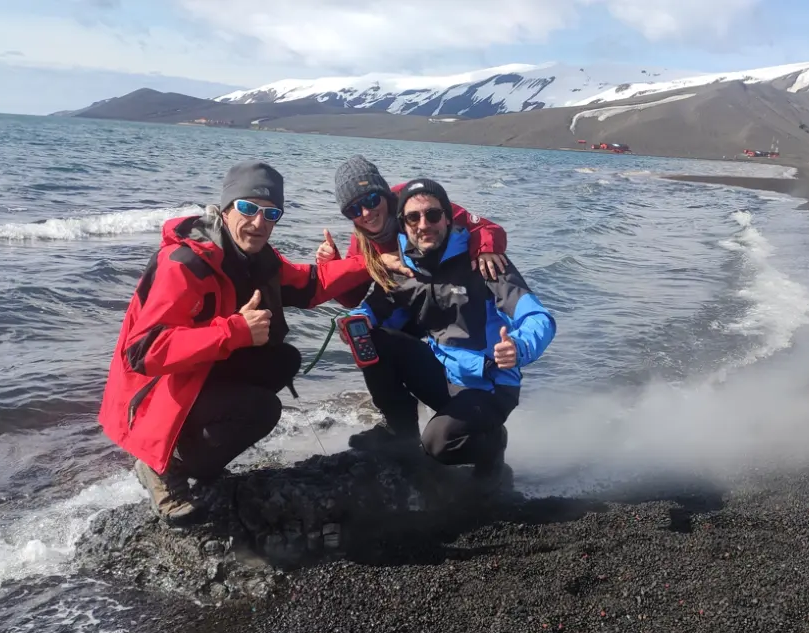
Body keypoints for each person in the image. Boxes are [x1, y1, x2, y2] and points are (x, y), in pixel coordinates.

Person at [98, 160, 395, 524]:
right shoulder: (183, 263)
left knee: (282, 361)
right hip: (150, 395)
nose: (259, 223)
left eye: (271, 214)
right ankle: (162, 465)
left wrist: (374, 261)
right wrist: (234, 331)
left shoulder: (256, 258)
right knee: (262, 409)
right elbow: (143, 352)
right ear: (226, 209)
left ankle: (200, 461)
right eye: (248, 208)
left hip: (193, 376)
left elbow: (310, 284)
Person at [345, 178, 556, 489]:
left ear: (447, 217)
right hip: (444, 376)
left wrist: (519, 346)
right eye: (413, 218)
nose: (423, 225)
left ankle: (493, 445)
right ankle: (401, 435)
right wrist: (355, 320)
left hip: (489, 384)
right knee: (371, 338)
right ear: (403, 224)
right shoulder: (405, 267)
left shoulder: (482, 261)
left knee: (439, 445)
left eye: (432, 215)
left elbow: (539, 318)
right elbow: (377, 308)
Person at [315, 155, 510, 308]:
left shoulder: (415, 202)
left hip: (452, 290)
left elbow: (485, 227)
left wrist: (486, 249)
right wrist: (333, 263)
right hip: (409, 303)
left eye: (371, 200)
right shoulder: (361, 239)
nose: (366, 213)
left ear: (385, 195)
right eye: (353, 210)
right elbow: (352, 298)